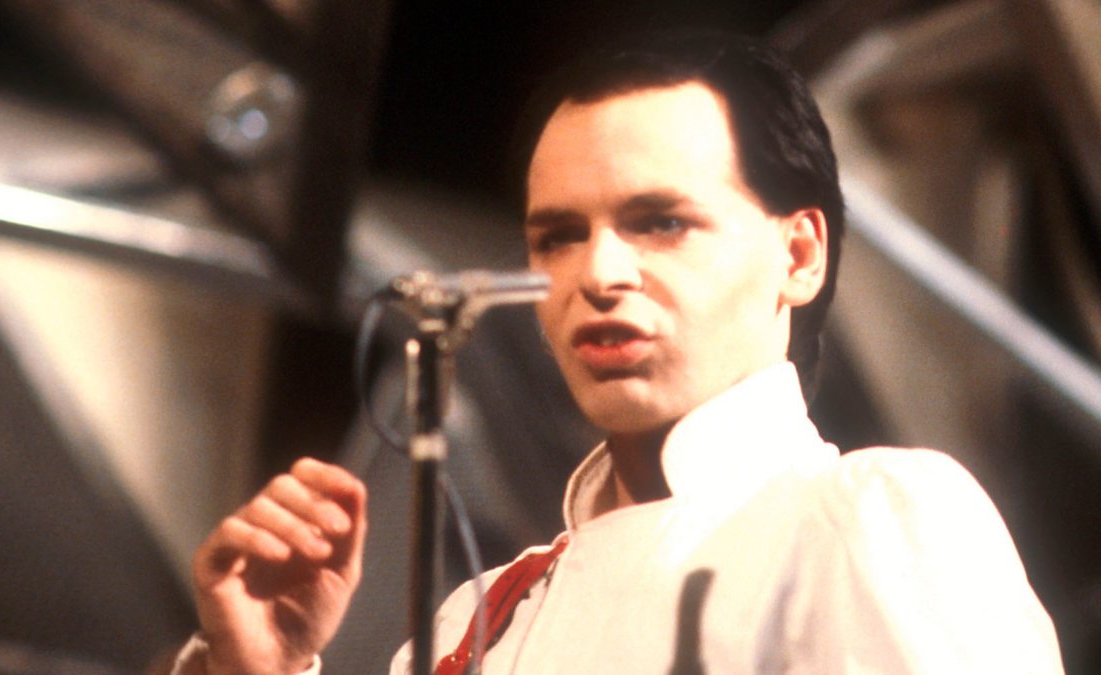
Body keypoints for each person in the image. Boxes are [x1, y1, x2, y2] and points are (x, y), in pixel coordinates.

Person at [172, 30, 1063, 674]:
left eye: (661, 222)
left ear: (798, 255)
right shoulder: (479, 617)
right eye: (558, 236)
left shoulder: (864, 516)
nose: (597, 274)